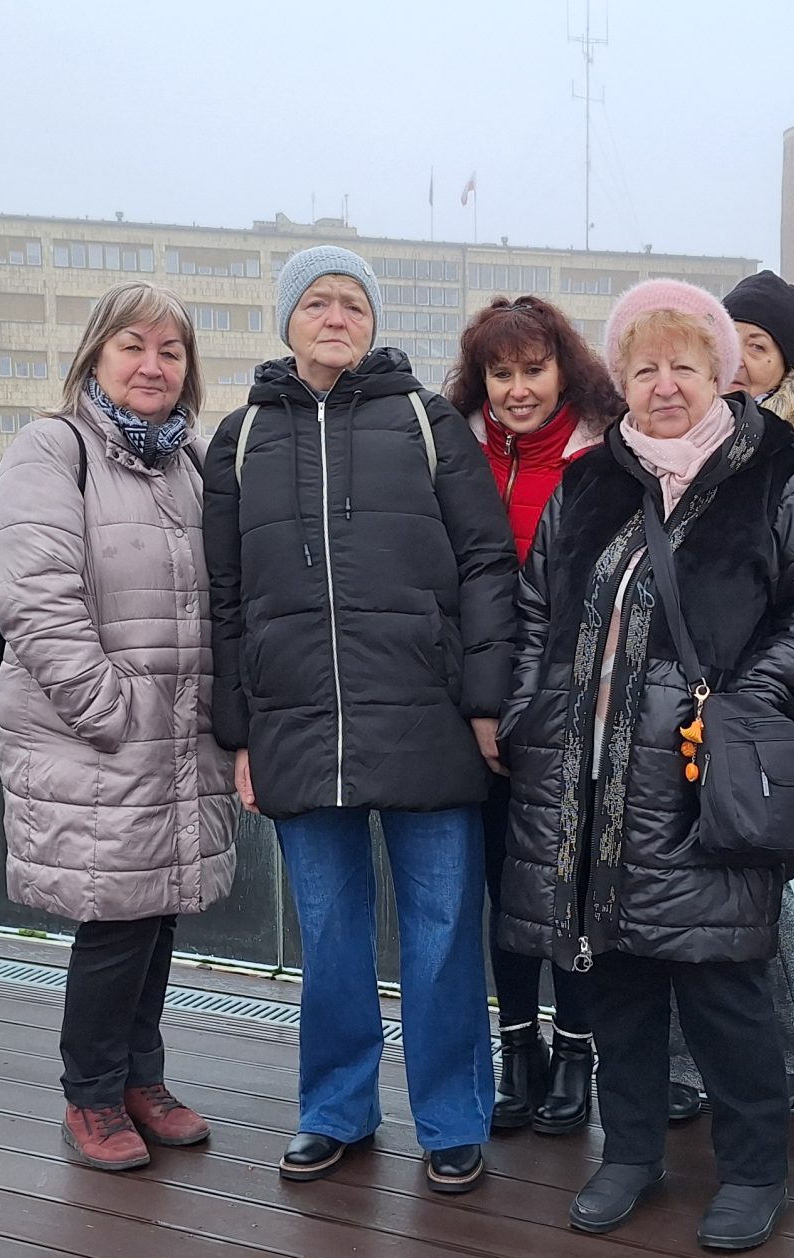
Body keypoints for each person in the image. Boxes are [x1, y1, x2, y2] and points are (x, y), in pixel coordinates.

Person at [498, 280, 794, 1251]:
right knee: (614, 975)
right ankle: (629, 1150)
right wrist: (531, 716)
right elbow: (536, 611)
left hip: (704, 780)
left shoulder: (776, 476)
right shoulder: (589, 481)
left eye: (684, 366)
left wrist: (747, 706)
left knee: (721, 985)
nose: (665, 385)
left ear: (721, 374)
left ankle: (754, 1168)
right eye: (645, 367)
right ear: (621, 379)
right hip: (587, 781)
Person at [206, 246, 519, 1196]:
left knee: (443, 934)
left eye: (352, 302)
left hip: (427, 720)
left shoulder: (427, 422)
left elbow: (487, 563)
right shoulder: (241, 436)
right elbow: (223, 595)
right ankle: (335, 1110)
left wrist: (485, 700)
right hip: (298, 725)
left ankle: (452, 1118)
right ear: (287, 319)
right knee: (330, 935)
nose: (336, 316)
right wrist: (238, 734)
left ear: (374, 321)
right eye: (317, 301)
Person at [0, 281, 237, 1173]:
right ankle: (89, 1094)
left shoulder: (191, 460)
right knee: (113, 918)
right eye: (133, 346)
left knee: (157, 911)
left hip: (178, 733)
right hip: (102, 732)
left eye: (170, 350)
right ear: (96, 353)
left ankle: (139, 1078)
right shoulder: (54, 449)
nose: (152, 365)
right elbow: (34, 593)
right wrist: (105, 706)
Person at [663, 271, 794, 1124]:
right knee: (710, 876)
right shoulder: (694, 439)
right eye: (729, 338)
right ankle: (784, 1059)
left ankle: (785, 1059)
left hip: (766, 707)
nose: (740, 358)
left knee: (750, 884)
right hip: (696, 702)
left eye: (760, 345)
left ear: (787, 363)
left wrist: (764, 699)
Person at [444, 295, 623, 1137]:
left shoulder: (607, 451)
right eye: (500, 373)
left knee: (573, 880)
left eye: (534, 370)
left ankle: (577, 1049)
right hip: (477, 698)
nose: (518, 389)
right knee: (501, 881)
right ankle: (517, 1045)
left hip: (576, 700)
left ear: (565, 370)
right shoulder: (453, 448)